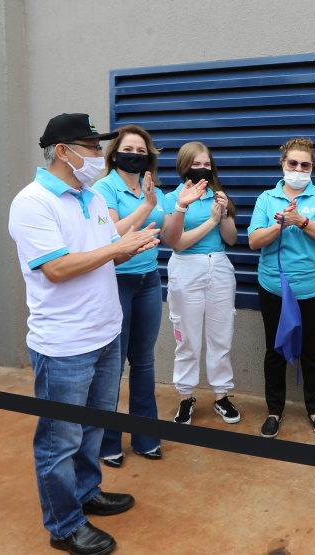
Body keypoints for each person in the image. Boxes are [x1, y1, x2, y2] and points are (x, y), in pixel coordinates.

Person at [8, 113, 160, 554]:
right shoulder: (32, 202)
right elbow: (55, 268)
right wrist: (118, 247)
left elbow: (100, 251)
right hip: (64, 345)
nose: (99, 155)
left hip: (105, 333)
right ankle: (64, 524)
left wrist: (127, 239)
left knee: (93, 428)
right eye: (92, 147)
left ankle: (87, 491)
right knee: (60, 439)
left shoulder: (90, 197)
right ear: (63, 151)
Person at [92, 125, 207, 467]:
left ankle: (145, 437)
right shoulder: (103, 189)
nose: (137, 156)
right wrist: (147, 205)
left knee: (143, 361)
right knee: (113, 365)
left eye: (143, 152)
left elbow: (171, 239)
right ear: (114, 154)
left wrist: (182, 207)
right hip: (116, 282)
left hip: (148, 280)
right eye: (130, 149)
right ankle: (108, 441)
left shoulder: (150, 186)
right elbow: (110, 237)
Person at [248, 138, 315, 438]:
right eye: (293, 164)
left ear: (312, 167)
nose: (299, 169)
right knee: (274, 351)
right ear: (283, 164)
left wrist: (300, 220)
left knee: (311, 351)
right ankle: (274, 411)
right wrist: (280, 225)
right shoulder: (266, 198)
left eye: (305, 165)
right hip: (274, 288)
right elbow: (253, 241)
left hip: (312, 289)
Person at [164, 142, 241, 425]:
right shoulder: (172, 198)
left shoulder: (219, 196)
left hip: (219, 266)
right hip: (187, 269)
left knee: (221, 337)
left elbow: (231, 239)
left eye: (206, 164)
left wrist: (222, 215)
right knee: (187, 339)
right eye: (196, 164)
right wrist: (210, 221)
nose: (202, 169)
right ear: (184, 166)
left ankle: (222, 396)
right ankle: (186, 398)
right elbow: (177, 244)